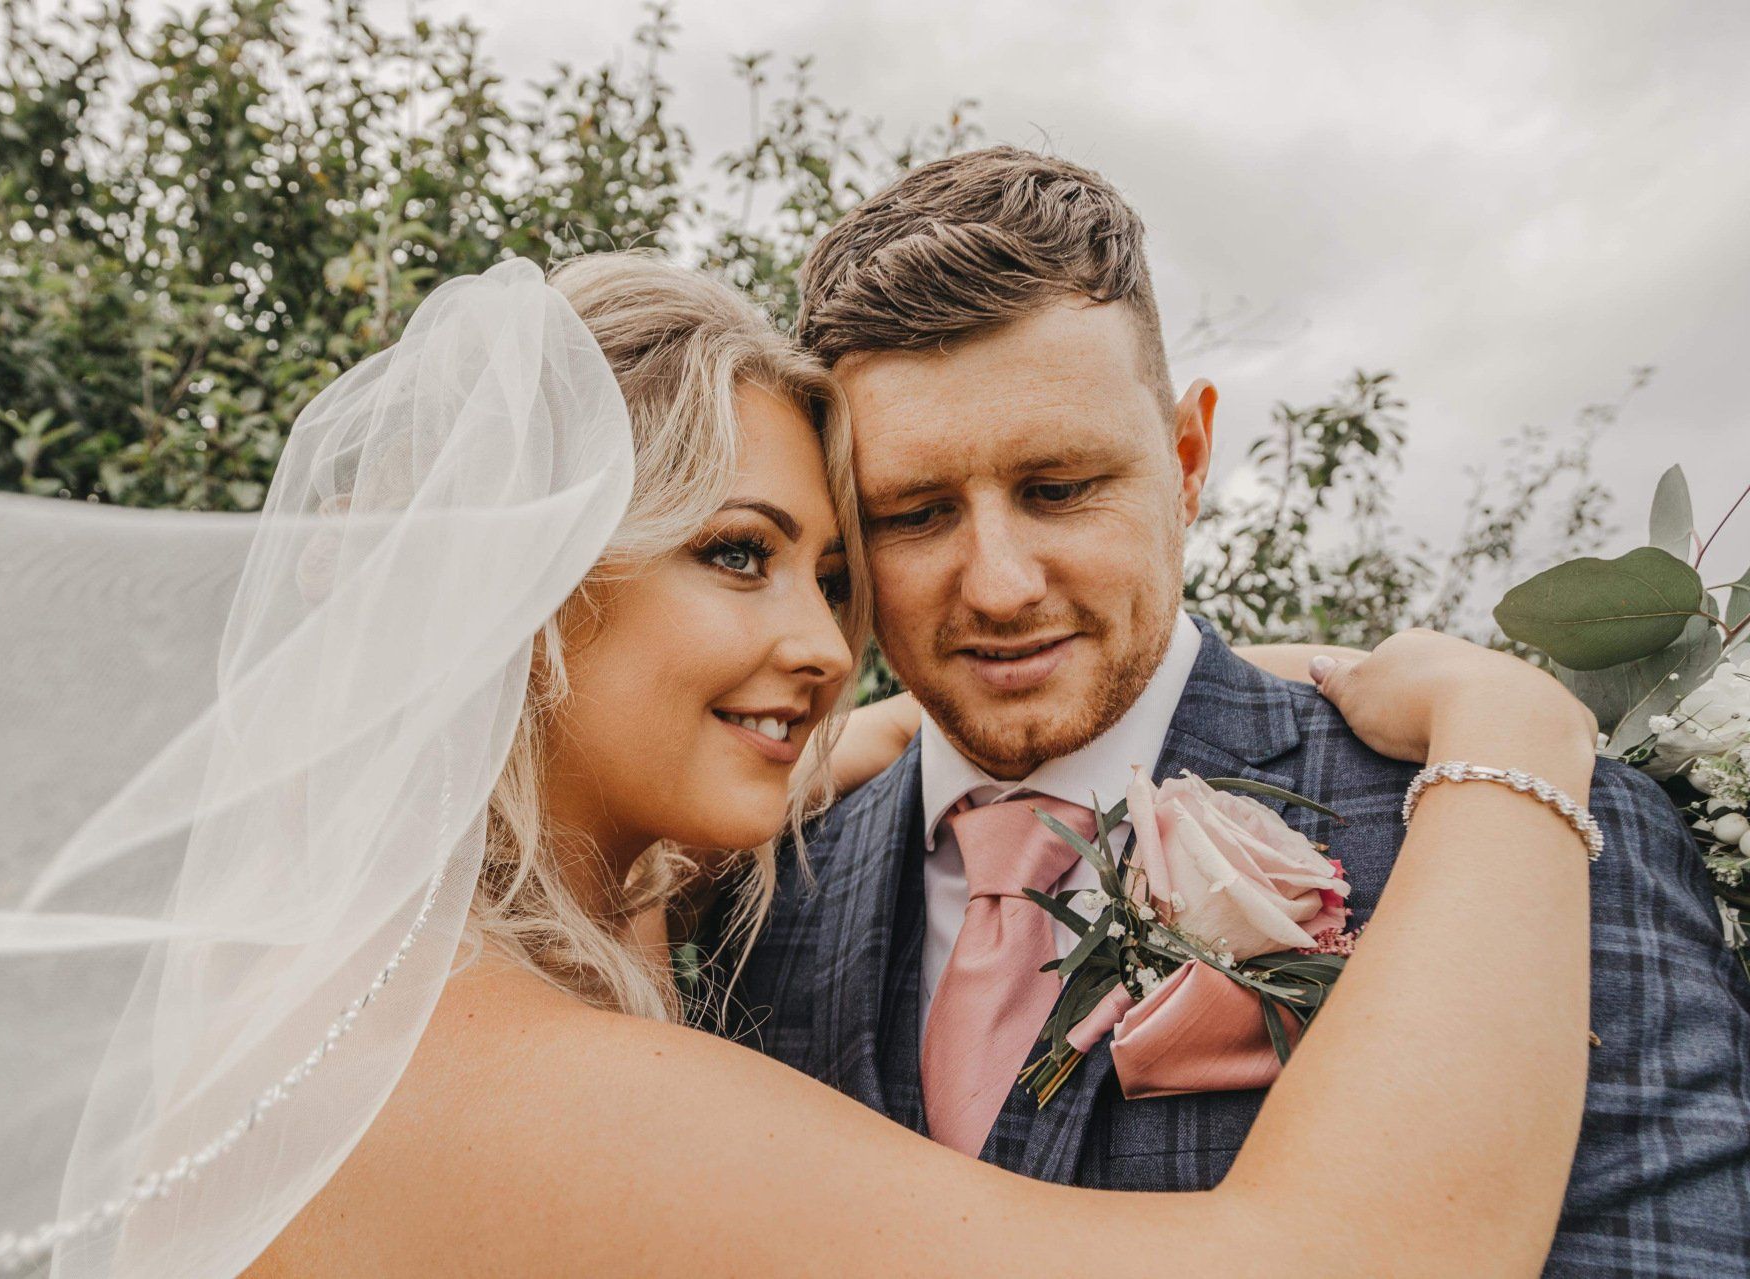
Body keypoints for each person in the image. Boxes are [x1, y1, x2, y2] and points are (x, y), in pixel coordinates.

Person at [0, 251, 1593, 1279]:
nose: (826, 644)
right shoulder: (502, 1079)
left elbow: (733, 784)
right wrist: (1514, 736)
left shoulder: (363, 966)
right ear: (514, 588)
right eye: (737, 554)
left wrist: (906, 733)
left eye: (832, 574)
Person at [727, 146, 1750, 1276]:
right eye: (914, 513)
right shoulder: (758, 884)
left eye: (1059, 489)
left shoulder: (1537, 824)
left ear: (1187, 459)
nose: (1001, 585)